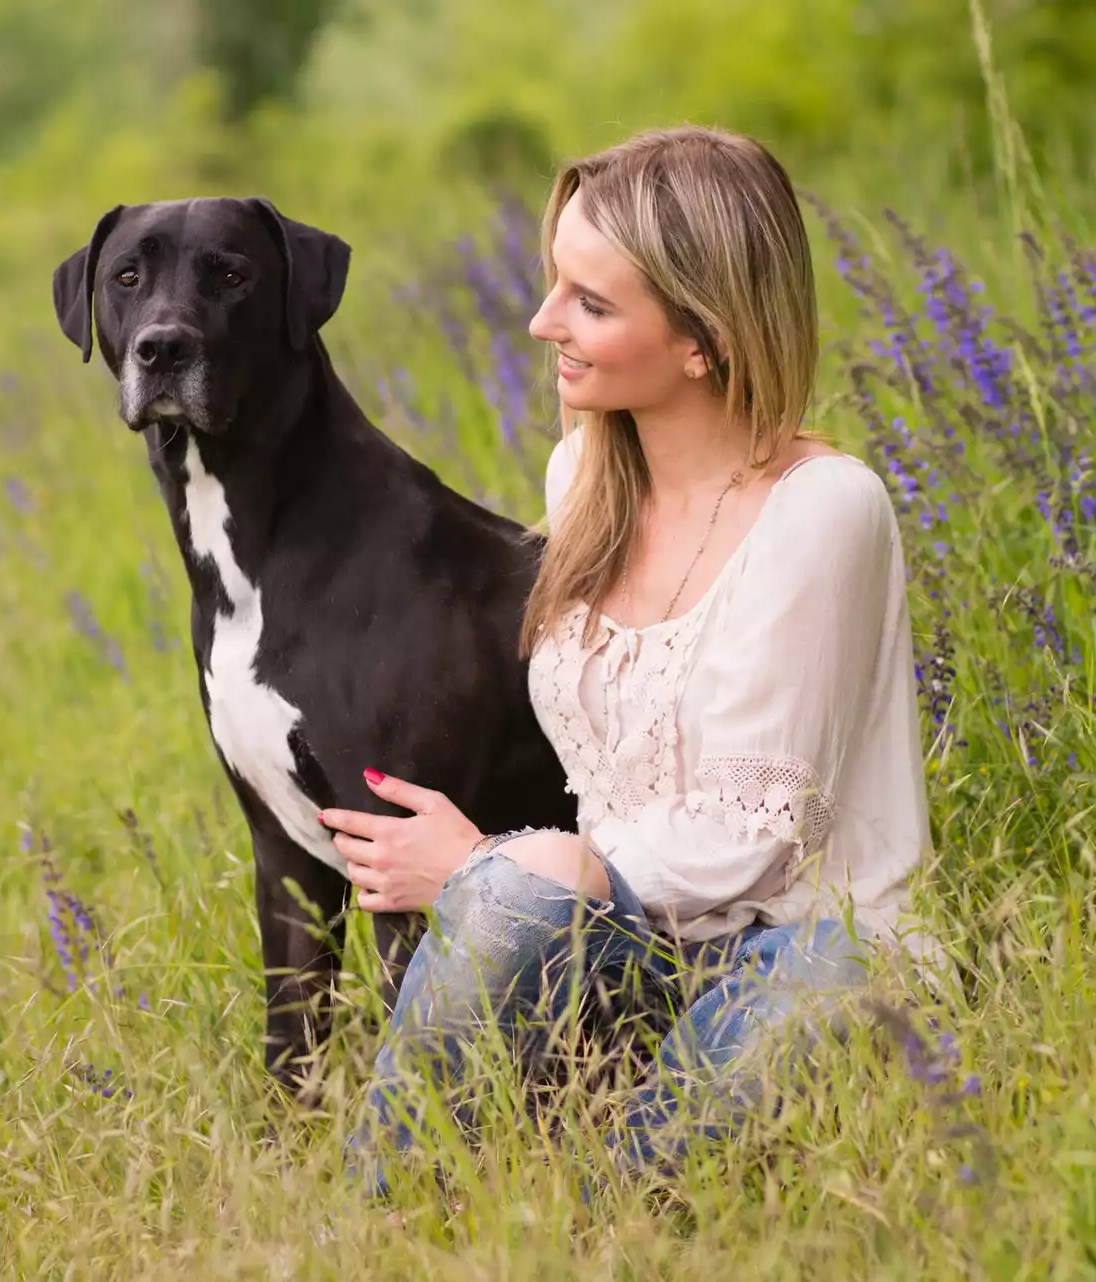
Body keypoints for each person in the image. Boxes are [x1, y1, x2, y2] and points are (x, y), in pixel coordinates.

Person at [317, 124, 939, 1197]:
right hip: (631, 939)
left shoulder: (824, 509)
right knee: (519, 903)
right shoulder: (584, 477)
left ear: (703, 336)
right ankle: (359, 1230)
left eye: (591, 303)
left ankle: (590, 1204)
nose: (540, 321)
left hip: (812, 945)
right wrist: (519, 883)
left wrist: (485, 869)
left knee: (625, 1195)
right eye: (556, 282)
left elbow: (750, 841)